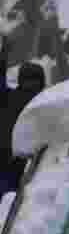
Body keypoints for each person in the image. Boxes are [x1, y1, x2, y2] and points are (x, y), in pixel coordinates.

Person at [0, 36, 46, 195]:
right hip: (35, 166)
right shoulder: (46, 102)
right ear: (42, 81)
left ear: (20, 79)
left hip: (5, 163)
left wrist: (3, 57)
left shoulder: (7, 97)